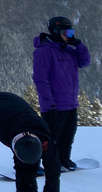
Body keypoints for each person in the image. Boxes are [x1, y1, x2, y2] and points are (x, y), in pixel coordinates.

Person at [32, 16, 90, 171]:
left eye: (72, 32)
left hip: (70, 103)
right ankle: (34, 163)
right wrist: (49, 104)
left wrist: (78, 45)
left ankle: (63, 160)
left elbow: (85, 62)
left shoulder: (69, 51)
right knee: (49, 137)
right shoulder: (43, 52)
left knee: (67, 137)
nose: (70, 35)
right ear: (56, 32)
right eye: (67, 32)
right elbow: (40, 79)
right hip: (54, 105)